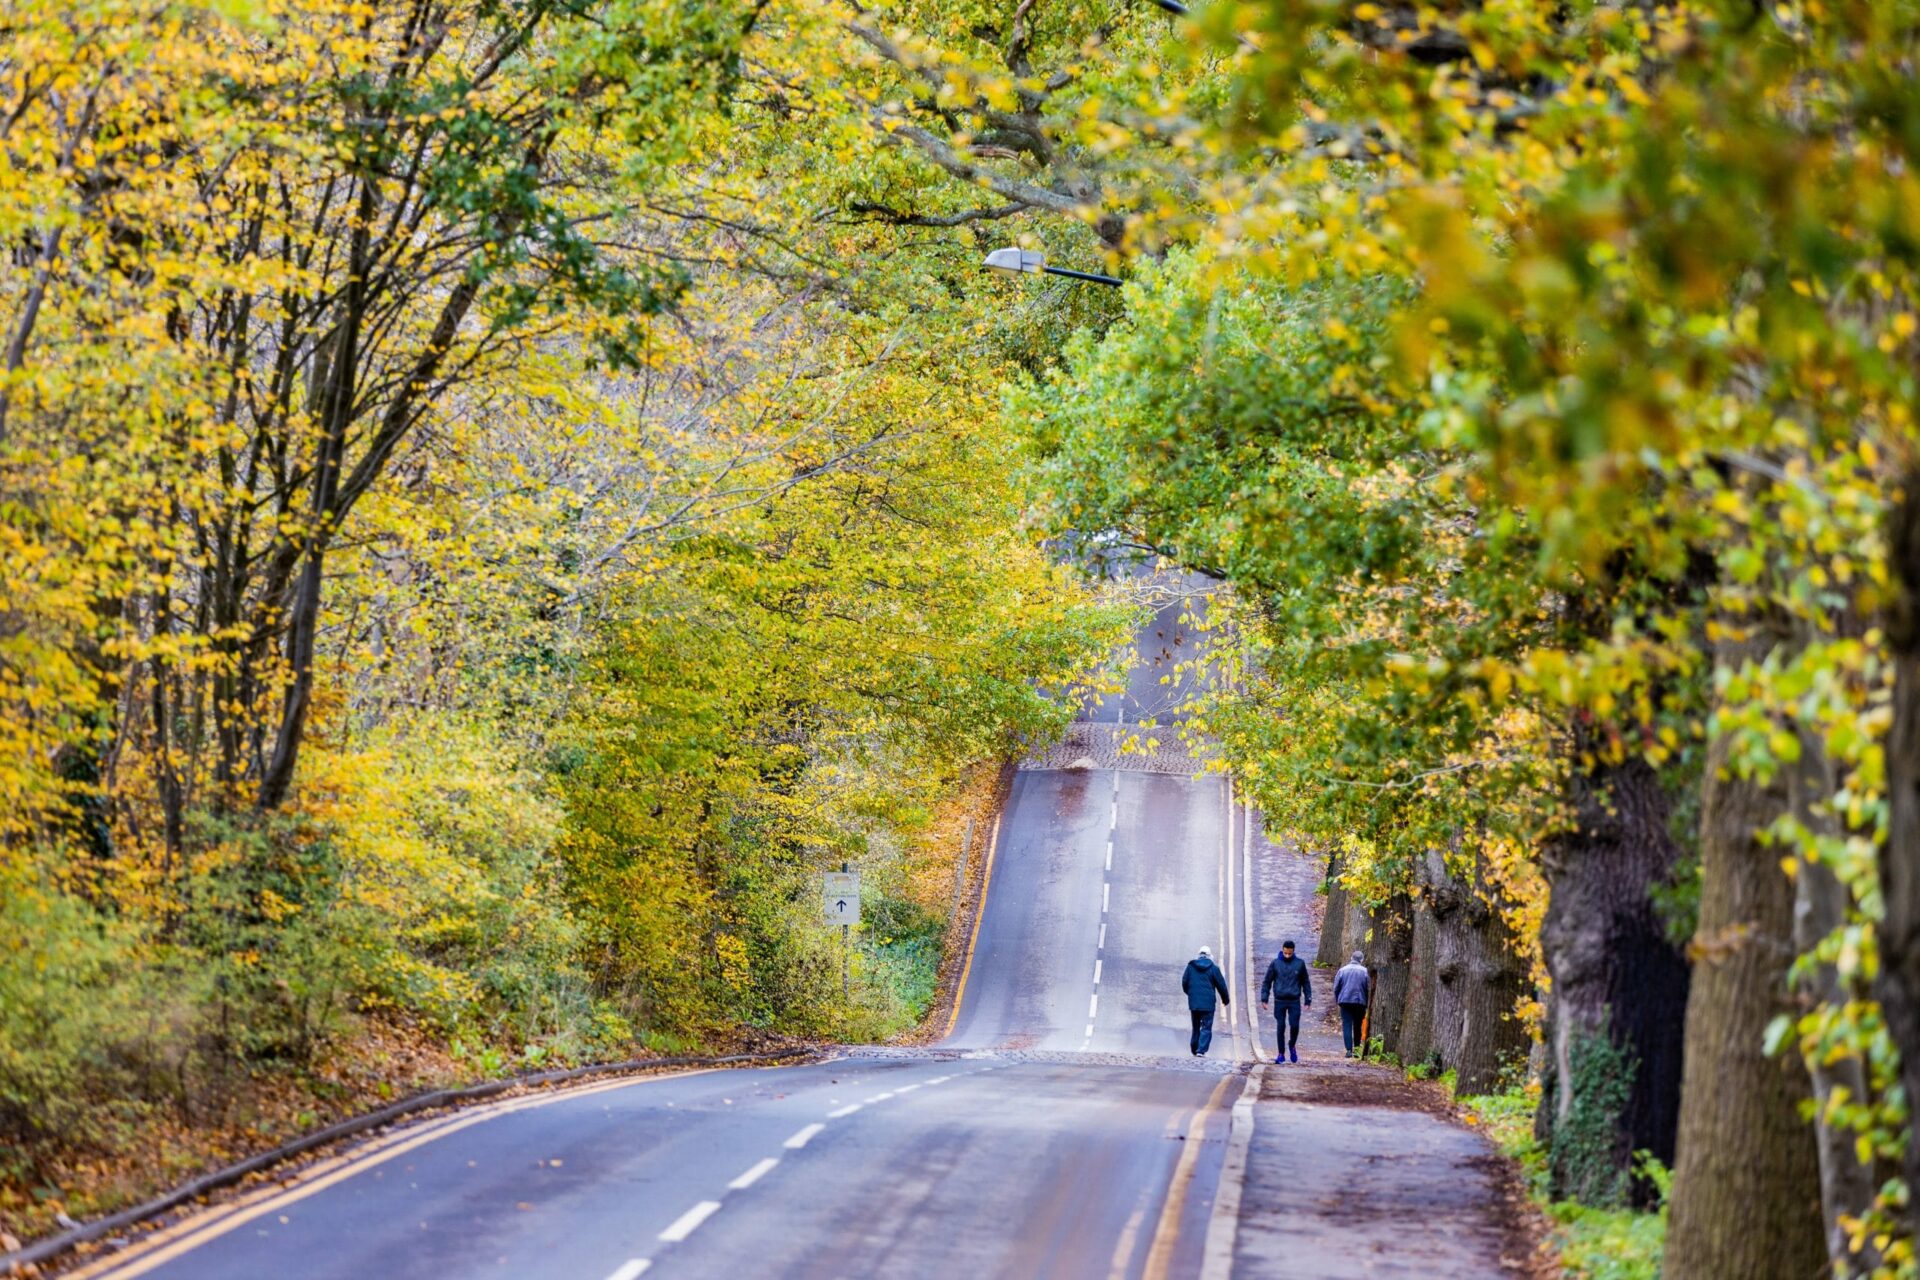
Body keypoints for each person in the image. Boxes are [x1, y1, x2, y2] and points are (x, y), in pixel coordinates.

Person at [1260, 939, 1312, 1063]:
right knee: (1281, 1027)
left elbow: (1306, 982)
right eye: (1285, 953)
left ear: (1293, 951)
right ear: (1282, 950)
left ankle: (1292, 1045)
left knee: (1294, 1026)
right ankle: (1281, 1054)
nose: (1287, 955)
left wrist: (1308, 999)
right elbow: (1267, 982)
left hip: (1294, 1000)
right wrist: (1264, 998)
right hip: (1279, 1000)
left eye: (1289, 953)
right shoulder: (1275, 963)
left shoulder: (1300, 964)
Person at [1181, 946, 1230, 1056]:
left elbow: (1184, 982)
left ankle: (1194, 1049)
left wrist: (1191, 995)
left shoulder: (1190, 967)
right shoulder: (1213, 968)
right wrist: (1225, 999)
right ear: (1209, 956)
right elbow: (1221, 985)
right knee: (1206, 1027)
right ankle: (1201, 1050)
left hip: (1194, 1004)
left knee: (1196, 1027)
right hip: (1208, 1005)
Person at [1335, 950, 1372, 1058]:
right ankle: (1356, 1049)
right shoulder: (1365, 971)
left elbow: (1336, 987)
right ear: (1361, 960)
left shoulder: (1342, 970)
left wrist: (1338, 999)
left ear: (1351, 958)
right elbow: (1368, 988)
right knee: (1357, 1025)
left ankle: (1348, 1050)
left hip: (1345, 1001)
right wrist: (1366, 1002)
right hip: (1359, 1002)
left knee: (1346, 1025)